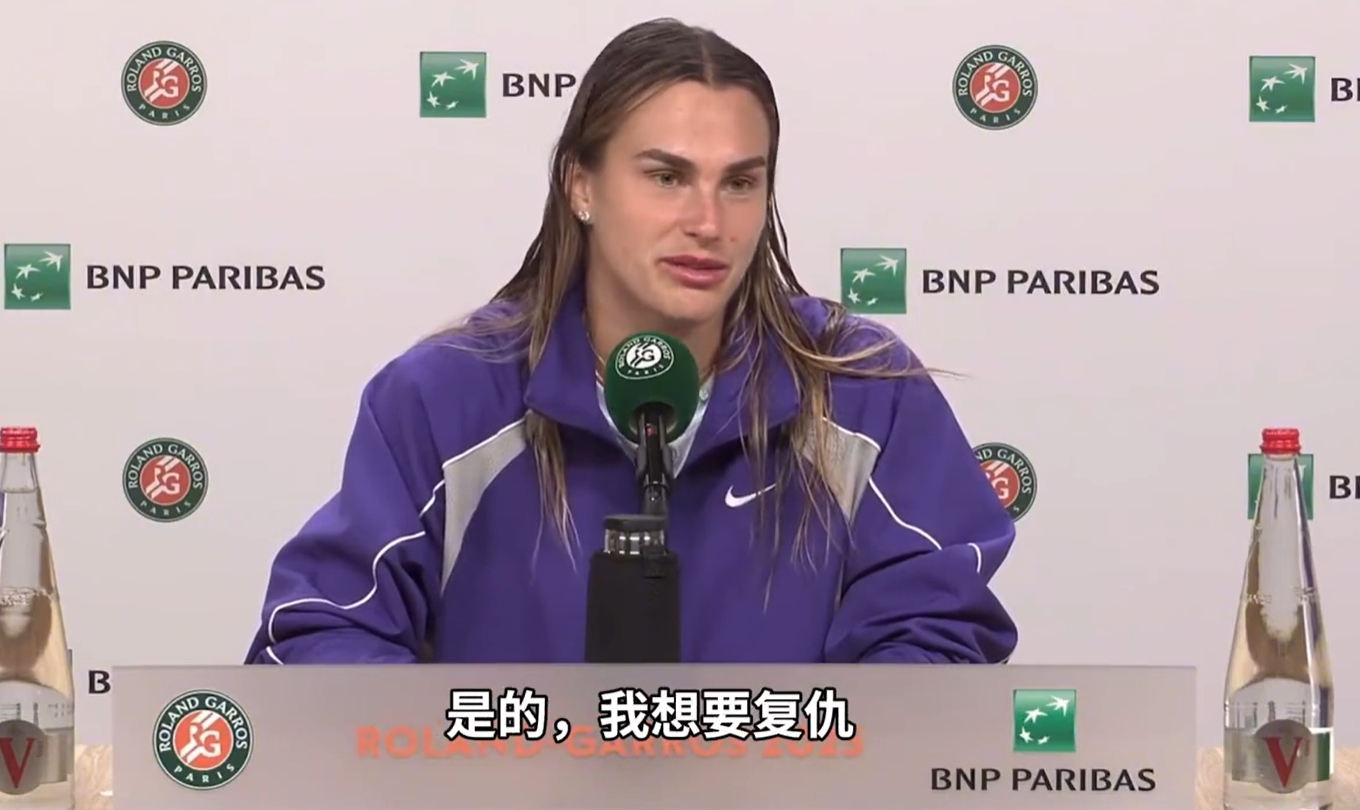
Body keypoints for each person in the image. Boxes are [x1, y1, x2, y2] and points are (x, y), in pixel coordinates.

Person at [244, 17, 1018, 666]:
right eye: (667, 177)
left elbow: (937, 635)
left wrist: (795, 765)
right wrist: (473, 764)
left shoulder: (862, 391)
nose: (708, 223)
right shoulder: (445, 398)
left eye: (739, 182)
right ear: (581, 185)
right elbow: (320, 637)